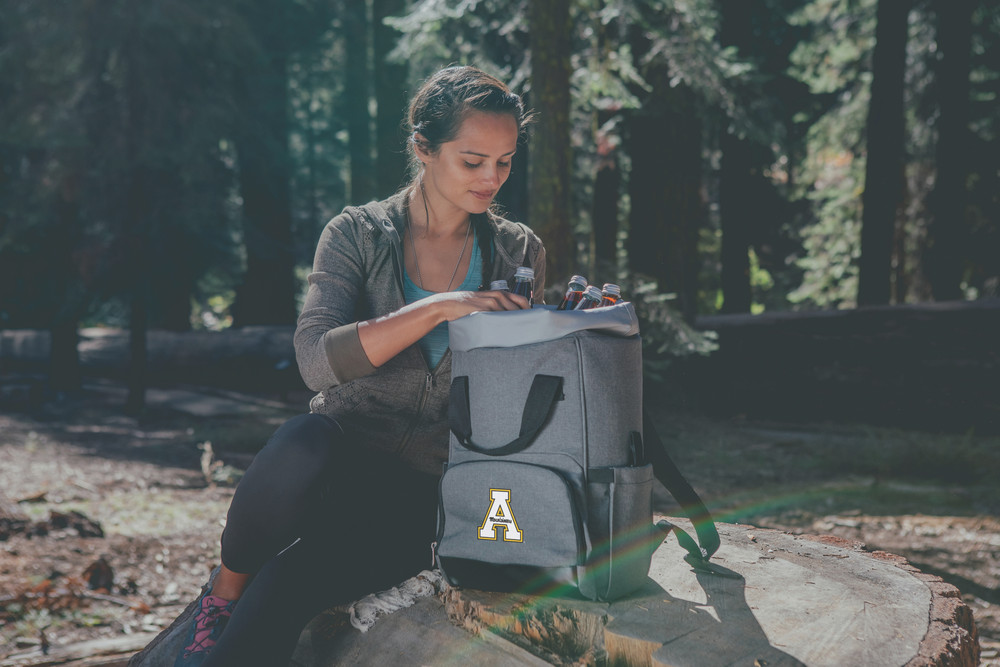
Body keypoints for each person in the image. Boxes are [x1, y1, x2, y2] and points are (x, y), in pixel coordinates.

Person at [131, 65, 545, 667]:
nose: (491, 178)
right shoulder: (356, 234)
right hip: (332, 466)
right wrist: (438, 309)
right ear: (423, 149)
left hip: (428, 493)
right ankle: (220, 596)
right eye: (473, 160)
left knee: (289, 586)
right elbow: (315, 361)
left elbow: (517, 387)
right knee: (303, 440)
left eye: (504, 161)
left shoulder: (517, 250)